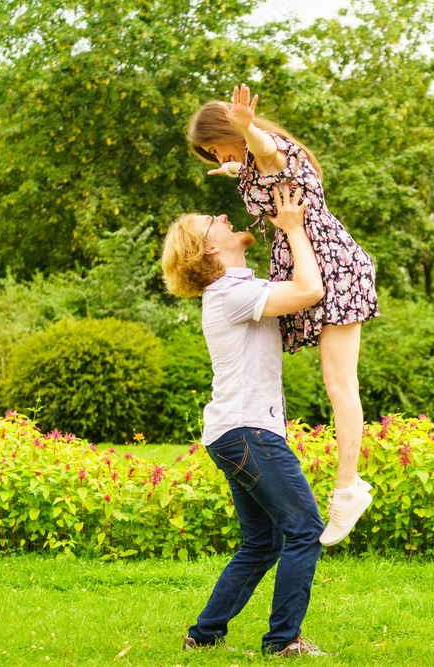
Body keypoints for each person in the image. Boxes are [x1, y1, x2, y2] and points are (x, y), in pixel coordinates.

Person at [186, 83, 376, 546]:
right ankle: (349, 488)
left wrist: (246, 130)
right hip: (315, 260)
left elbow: (266, 149)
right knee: (337, 382)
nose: (216, 156)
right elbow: (254, 163)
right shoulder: (253, 163)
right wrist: (234, 167)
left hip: (332, 265)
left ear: (231, 129)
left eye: (215, 146)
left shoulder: (268, 150)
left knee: (339, 383)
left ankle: (348, 488)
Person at [161, 183, 327, 657]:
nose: (224, 219)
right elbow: (310, 290)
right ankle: (282, 643)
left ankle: (204, 634)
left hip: (235, 432)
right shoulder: (230, 292)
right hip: (248, 431)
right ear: (210, 247)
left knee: (262, 543)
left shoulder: (235, 289)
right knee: (303, 528)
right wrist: (293, 227)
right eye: (213, 221)